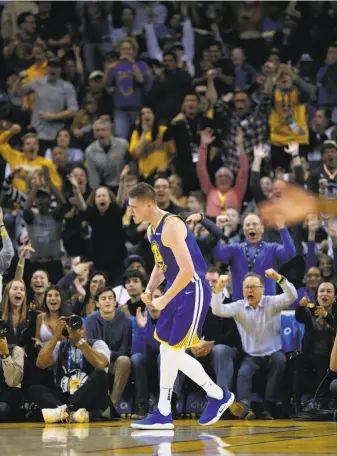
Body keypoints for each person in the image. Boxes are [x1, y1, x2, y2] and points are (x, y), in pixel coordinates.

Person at [128, 183, 235, 430]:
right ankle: (165, 411)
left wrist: (164, 299)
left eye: (134, 208)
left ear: (148, 204)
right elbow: (160, 264)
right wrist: (148, 288)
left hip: (193, 289)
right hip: (176, 289)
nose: (131, 212)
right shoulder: (151, 231)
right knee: (168, 350)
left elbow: (187, 270)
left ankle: (216, 395)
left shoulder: (172, 225)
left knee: (174, 351)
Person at [211, 269, 297, 419]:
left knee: (280, 361)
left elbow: (292, 296)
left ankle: (268, 405)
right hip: (251, 356)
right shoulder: (238, 306)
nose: (249, 290)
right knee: (243, 373)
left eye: (253, 287)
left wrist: (279, 278)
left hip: (273, 354)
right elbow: (218, 310)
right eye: (246, 287)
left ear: (262, 290)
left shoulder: (272, 303)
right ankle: (244, 408)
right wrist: (218, 289)